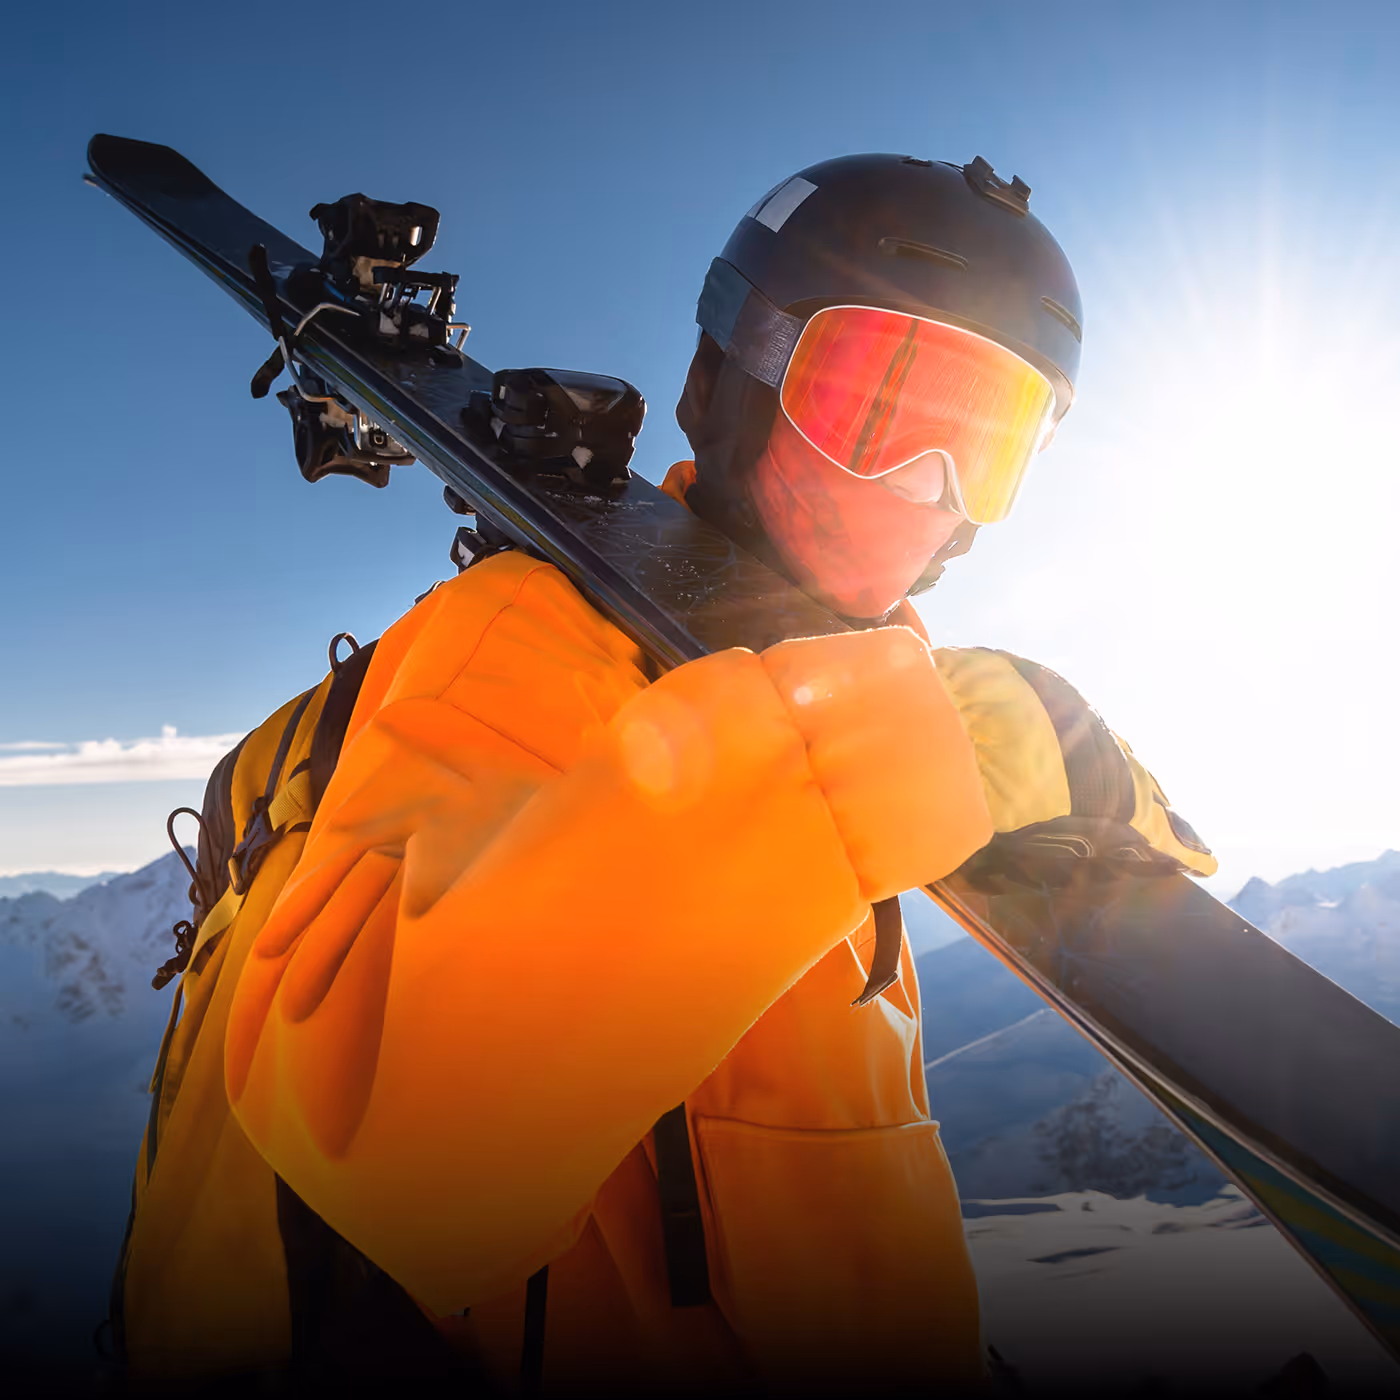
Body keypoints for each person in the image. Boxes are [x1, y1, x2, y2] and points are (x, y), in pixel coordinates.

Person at [117, 154, 1215, 1394]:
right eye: (874, 403)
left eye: (985, 445)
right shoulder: (537, 634)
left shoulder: (844, 711)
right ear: (720, 382)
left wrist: (1090, 792)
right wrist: (958, 738)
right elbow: (388, 1139)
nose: (928, 489)